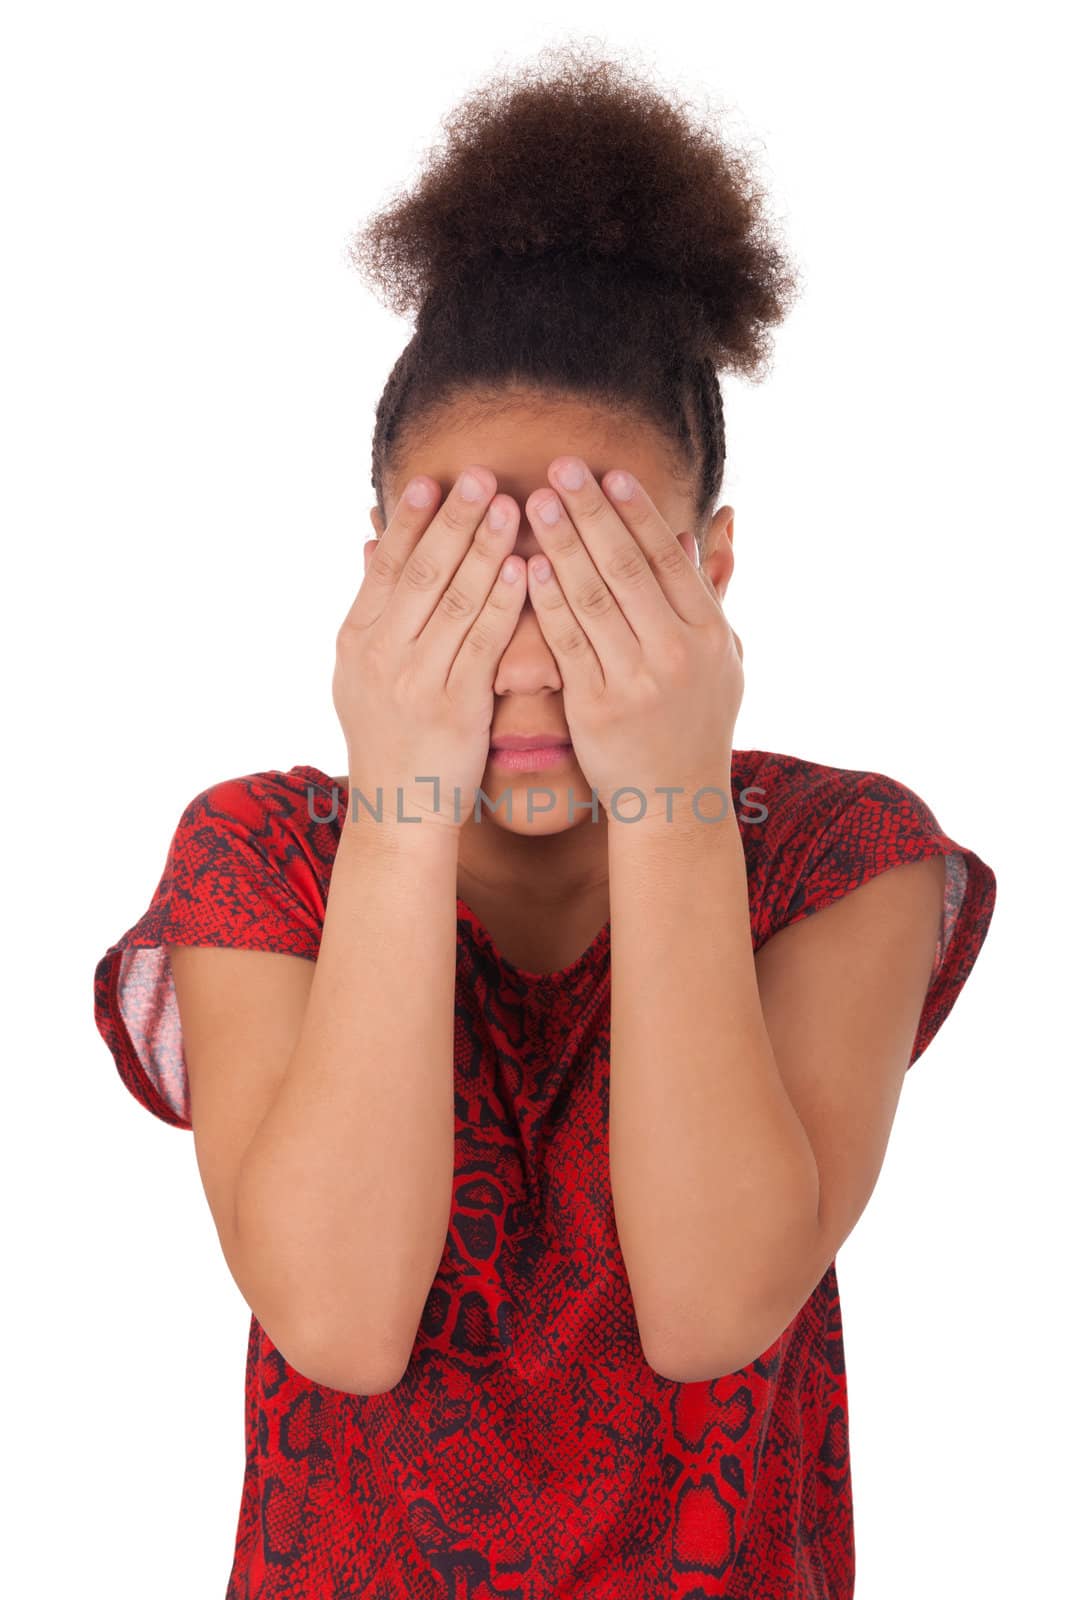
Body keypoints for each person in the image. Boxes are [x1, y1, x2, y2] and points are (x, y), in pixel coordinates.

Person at [93, 41, 996, 1600]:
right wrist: (396, 805)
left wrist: (666, 792)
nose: (523, 642)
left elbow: (714, 1307)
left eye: (594, 565)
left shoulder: (845, 857)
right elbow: (339, 1324)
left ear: (711, 573)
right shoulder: (261, 856)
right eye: (461, 559)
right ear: (377, 563)